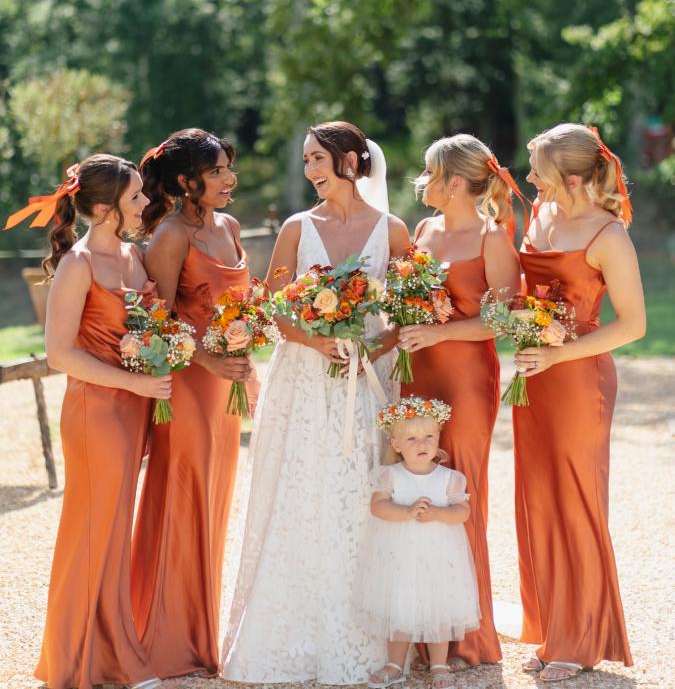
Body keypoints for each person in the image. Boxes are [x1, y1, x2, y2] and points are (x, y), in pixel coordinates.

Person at [222, 121, 410, 685]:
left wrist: (369, 346)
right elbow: (272, 307)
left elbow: (411, 310)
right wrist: (317, 340)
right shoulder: (296, 229)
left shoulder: (393, 230)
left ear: (351, 161)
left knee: (358, 494)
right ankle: (289, 635)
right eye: (305, 161)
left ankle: (366, 636)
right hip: (304, 377)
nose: (310, 171)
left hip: (367, 380)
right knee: (299, 492)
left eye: (317, 159)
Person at [4, 155, 168, 689]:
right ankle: (78, 660)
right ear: (104, 208)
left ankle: (113, 650)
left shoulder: (133, 256)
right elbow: (59, 355)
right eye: (136, 197)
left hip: (134, 407)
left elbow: (146, 330)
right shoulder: (77, 266)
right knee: (91, 531)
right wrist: (137, 383)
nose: (146, 204)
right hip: (96, 413)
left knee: (115, 531)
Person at [515, 123, 646, 681]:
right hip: (533, 376)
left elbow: (634, 326)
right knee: (536, 499)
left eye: (538, 171)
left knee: (575, 500)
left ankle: (580, 639)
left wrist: (558, 356)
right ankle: (551, 629)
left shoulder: (608, 235)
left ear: (570, 176)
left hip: (578, 379)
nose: (529, 179)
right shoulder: (539, 217)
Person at [130, 128, 254, 679]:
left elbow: (238, 302)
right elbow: (157, 319)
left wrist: (246, 353)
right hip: (187, 385)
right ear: (186, 182)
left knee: (216, 500)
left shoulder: (227, 226)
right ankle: (165, 641)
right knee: (184, 500)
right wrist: (207, 361)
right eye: (218, 171)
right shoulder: (170, 235)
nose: (230, 179)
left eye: (229, 168)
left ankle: (200, 638)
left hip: (226, 383)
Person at [397, 134, 521, 666]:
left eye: (428, 172)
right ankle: (423, 632)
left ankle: (468, 635)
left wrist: (440, 335)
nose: (420, 181)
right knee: (412, 482)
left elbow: (502, 319)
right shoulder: (423, 230)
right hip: (417, 370)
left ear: (454, 182)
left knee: (459, 487)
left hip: (467, 375)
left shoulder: (493, 237)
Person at [359, 397, 480, 689]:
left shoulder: (450, 478)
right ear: (396, 443)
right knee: (400, 606)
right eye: (411, 438)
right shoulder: (390, 476)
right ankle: (394, 664)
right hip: (400, 557)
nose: (421, 443)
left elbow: (462, 512)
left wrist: (438, 513)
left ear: (438, 437)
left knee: (438, 608)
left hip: (439, 558)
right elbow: (378, 507)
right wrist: (407, 512)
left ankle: (438, 665)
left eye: (429, 436)